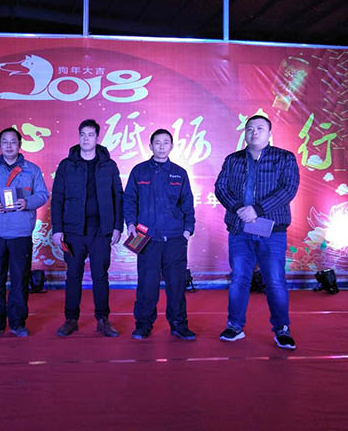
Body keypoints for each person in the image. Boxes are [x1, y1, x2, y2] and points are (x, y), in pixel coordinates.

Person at [215, 114, 299, 350]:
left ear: (269, 133)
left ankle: (282, 329)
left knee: (275, 280)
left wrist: (258, 210)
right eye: (250, 128)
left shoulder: (284, 158)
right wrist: (238, 209)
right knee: (239, 279)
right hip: (239, 228)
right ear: (244, 132)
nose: (254, 133)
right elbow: (220, 188)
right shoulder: (232, 160)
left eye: (260, 128)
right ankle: (234, 326)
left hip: (272, 230)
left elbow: (289, 189)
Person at [0, 127, 48, 338]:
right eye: (5, 142)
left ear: (20, 145)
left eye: (13, 141)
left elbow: (43, 194)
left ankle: (17, 323)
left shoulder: (32, 170)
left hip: (20, 233)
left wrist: (27, 202)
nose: (9, 145)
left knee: (20, 280)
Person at [51, 119, 123, 337]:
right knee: (73, 275)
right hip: (73, 230)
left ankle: (103, 319)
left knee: (100, 275)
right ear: (79, 136)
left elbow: (118, 197)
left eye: (90, 135)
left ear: (97, 138)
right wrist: (57, 229)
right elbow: (58, 198)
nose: (86, 138)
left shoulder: (109, 165)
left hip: (100, 229)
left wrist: (117, 227)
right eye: (83, 134)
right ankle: (71, 319)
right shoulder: (67, 165)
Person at [123, 129, 196, 340]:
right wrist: (130, 223)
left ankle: (178, 324)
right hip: (146, 238)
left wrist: (187, 230)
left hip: (174, 238)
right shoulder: (139, 171)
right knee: (147, 284)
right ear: (150, 146)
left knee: (176, 284)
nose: (162, 146)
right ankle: (143, 324)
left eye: (166, 142)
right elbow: (129, 200)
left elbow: (187, 203)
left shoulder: (179, 173)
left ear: (171, 146)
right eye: (157, 142)